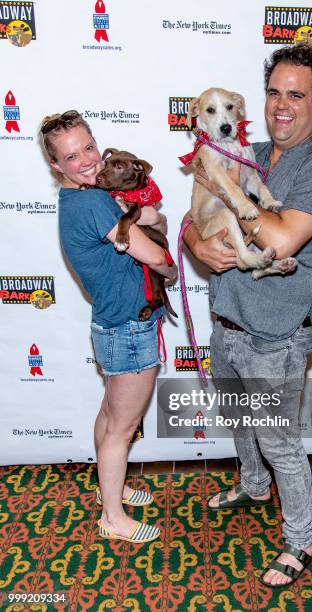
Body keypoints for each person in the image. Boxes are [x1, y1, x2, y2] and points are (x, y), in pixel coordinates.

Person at [183, 42, 312, 587]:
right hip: (226, 321)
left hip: (274, 337)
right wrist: (195, 246)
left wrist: (230, 193)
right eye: (274, 92)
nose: (282, 105)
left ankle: (299, 540)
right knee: (239, 420)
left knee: (279, 440)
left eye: (296, 95)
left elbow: (276, 240)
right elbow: (193, 216)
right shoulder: (244, 151)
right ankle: (252, 485)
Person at [40, 111, 177, 544]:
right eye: (71, 156)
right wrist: (166, 262)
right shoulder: (94, 201)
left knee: (110, 415)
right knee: (121, 427)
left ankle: (109, 491)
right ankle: (114, 518)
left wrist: (152, 219)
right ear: (56, 166)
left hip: (114, 324)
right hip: (128, 328)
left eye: (89, 147)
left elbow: (156, 222)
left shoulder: (83, 197)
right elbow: (156, 257)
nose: (87, 161)